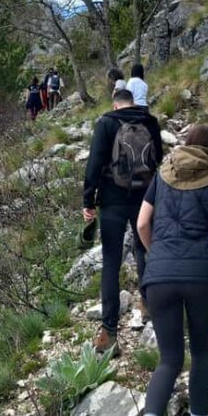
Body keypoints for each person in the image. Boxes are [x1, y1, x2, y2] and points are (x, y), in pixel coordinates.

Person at [132, 124, 208, 416]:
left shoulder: (163, 176)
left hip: (159, 276)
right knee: (201, 350)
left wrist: (159, 257)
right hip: (202, 276)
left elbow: (141, 223)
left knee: (169, 358)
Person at [83, 89, 163, 355]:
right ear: (133, 102)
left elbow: (94, 163)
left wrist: (88, 201)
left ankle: (109, 332)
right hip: (145, 199)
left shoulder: (106, 122)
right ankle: (148, 306)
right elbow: (159, 159)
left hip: (112, 201)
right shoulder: (149, 122)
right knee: (144, 250)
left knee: (111, 261)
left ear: (115, 104)